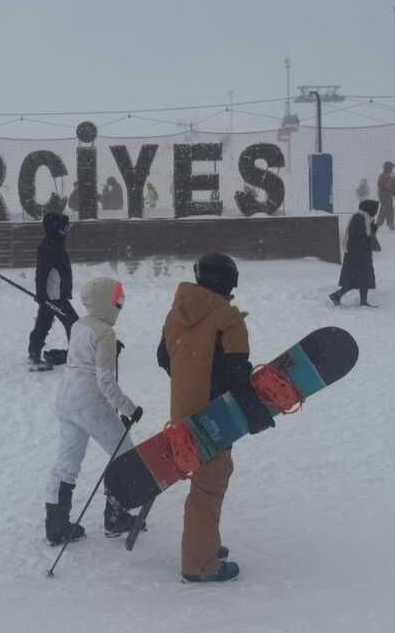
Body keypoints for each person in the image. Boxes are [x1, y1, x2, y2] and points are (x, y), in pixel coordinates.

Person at [157, 253, 269, 582]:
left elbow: (163, 357)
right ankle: (199, 564)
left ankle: (204, 543)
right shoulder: (228, 319)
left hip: (181, 413)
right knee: (209, 486)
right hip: (215, 417)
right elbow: (238, 374)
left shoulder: (175, 315)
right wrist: (255, 414)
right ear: (225, 283)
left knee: (207, 481)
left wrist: (191, 378)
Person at [43, 276, 144, 545]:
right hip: (90, 402)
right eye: (117, 300)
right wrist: (129, 408)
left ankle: (56, 524)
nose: (120, 305)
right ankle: (116, 517)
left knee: (67, 462)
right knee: (125, 456)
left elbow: (80, 356)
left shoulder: (79, 324)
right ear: (104, 302)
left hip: (66, 398)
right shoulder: (105, 333)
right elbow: (105, 381)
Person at [29, 212, 79, 370]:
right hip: (53, 297)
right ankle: (77, 358)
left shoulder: (56, 244)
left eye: (68, 227)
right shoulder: (48, 248)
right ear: (54, 229)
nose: (67, 231)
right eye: (64, 227)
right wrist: (42, 294)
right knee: (74, 324)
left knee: (43, 324)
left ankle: (34, 354)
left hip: (54, 296)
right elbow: (41, 273)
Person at [330, 199, 379, 307]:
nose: (376, 211)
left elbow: (367, 237)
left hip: (361, 254)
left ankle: (362, 301)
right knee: (355, 279)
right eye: (375, 209)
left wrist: (373, 230)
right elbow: (356, 237)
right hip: (357, 255)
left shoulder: (366, 218)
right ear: (368, 208)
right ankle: (337, 295)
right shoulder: (359, 218)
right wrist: (362, 250)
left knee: (363, 280)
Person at [374, 162, 395, 231]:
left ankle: (390, 224)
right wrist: (385, 189)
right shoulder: (383, 176)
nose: (392, 170)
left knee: (389, 210)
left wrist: (394, 192)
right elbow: (380, 185)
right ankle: (379, 224)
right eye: (391, 168)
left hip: (388, 195)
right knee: (384, 209)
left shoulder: (389, 176)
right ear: (387, 168)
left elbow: (392, 186)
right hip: (384, 195)